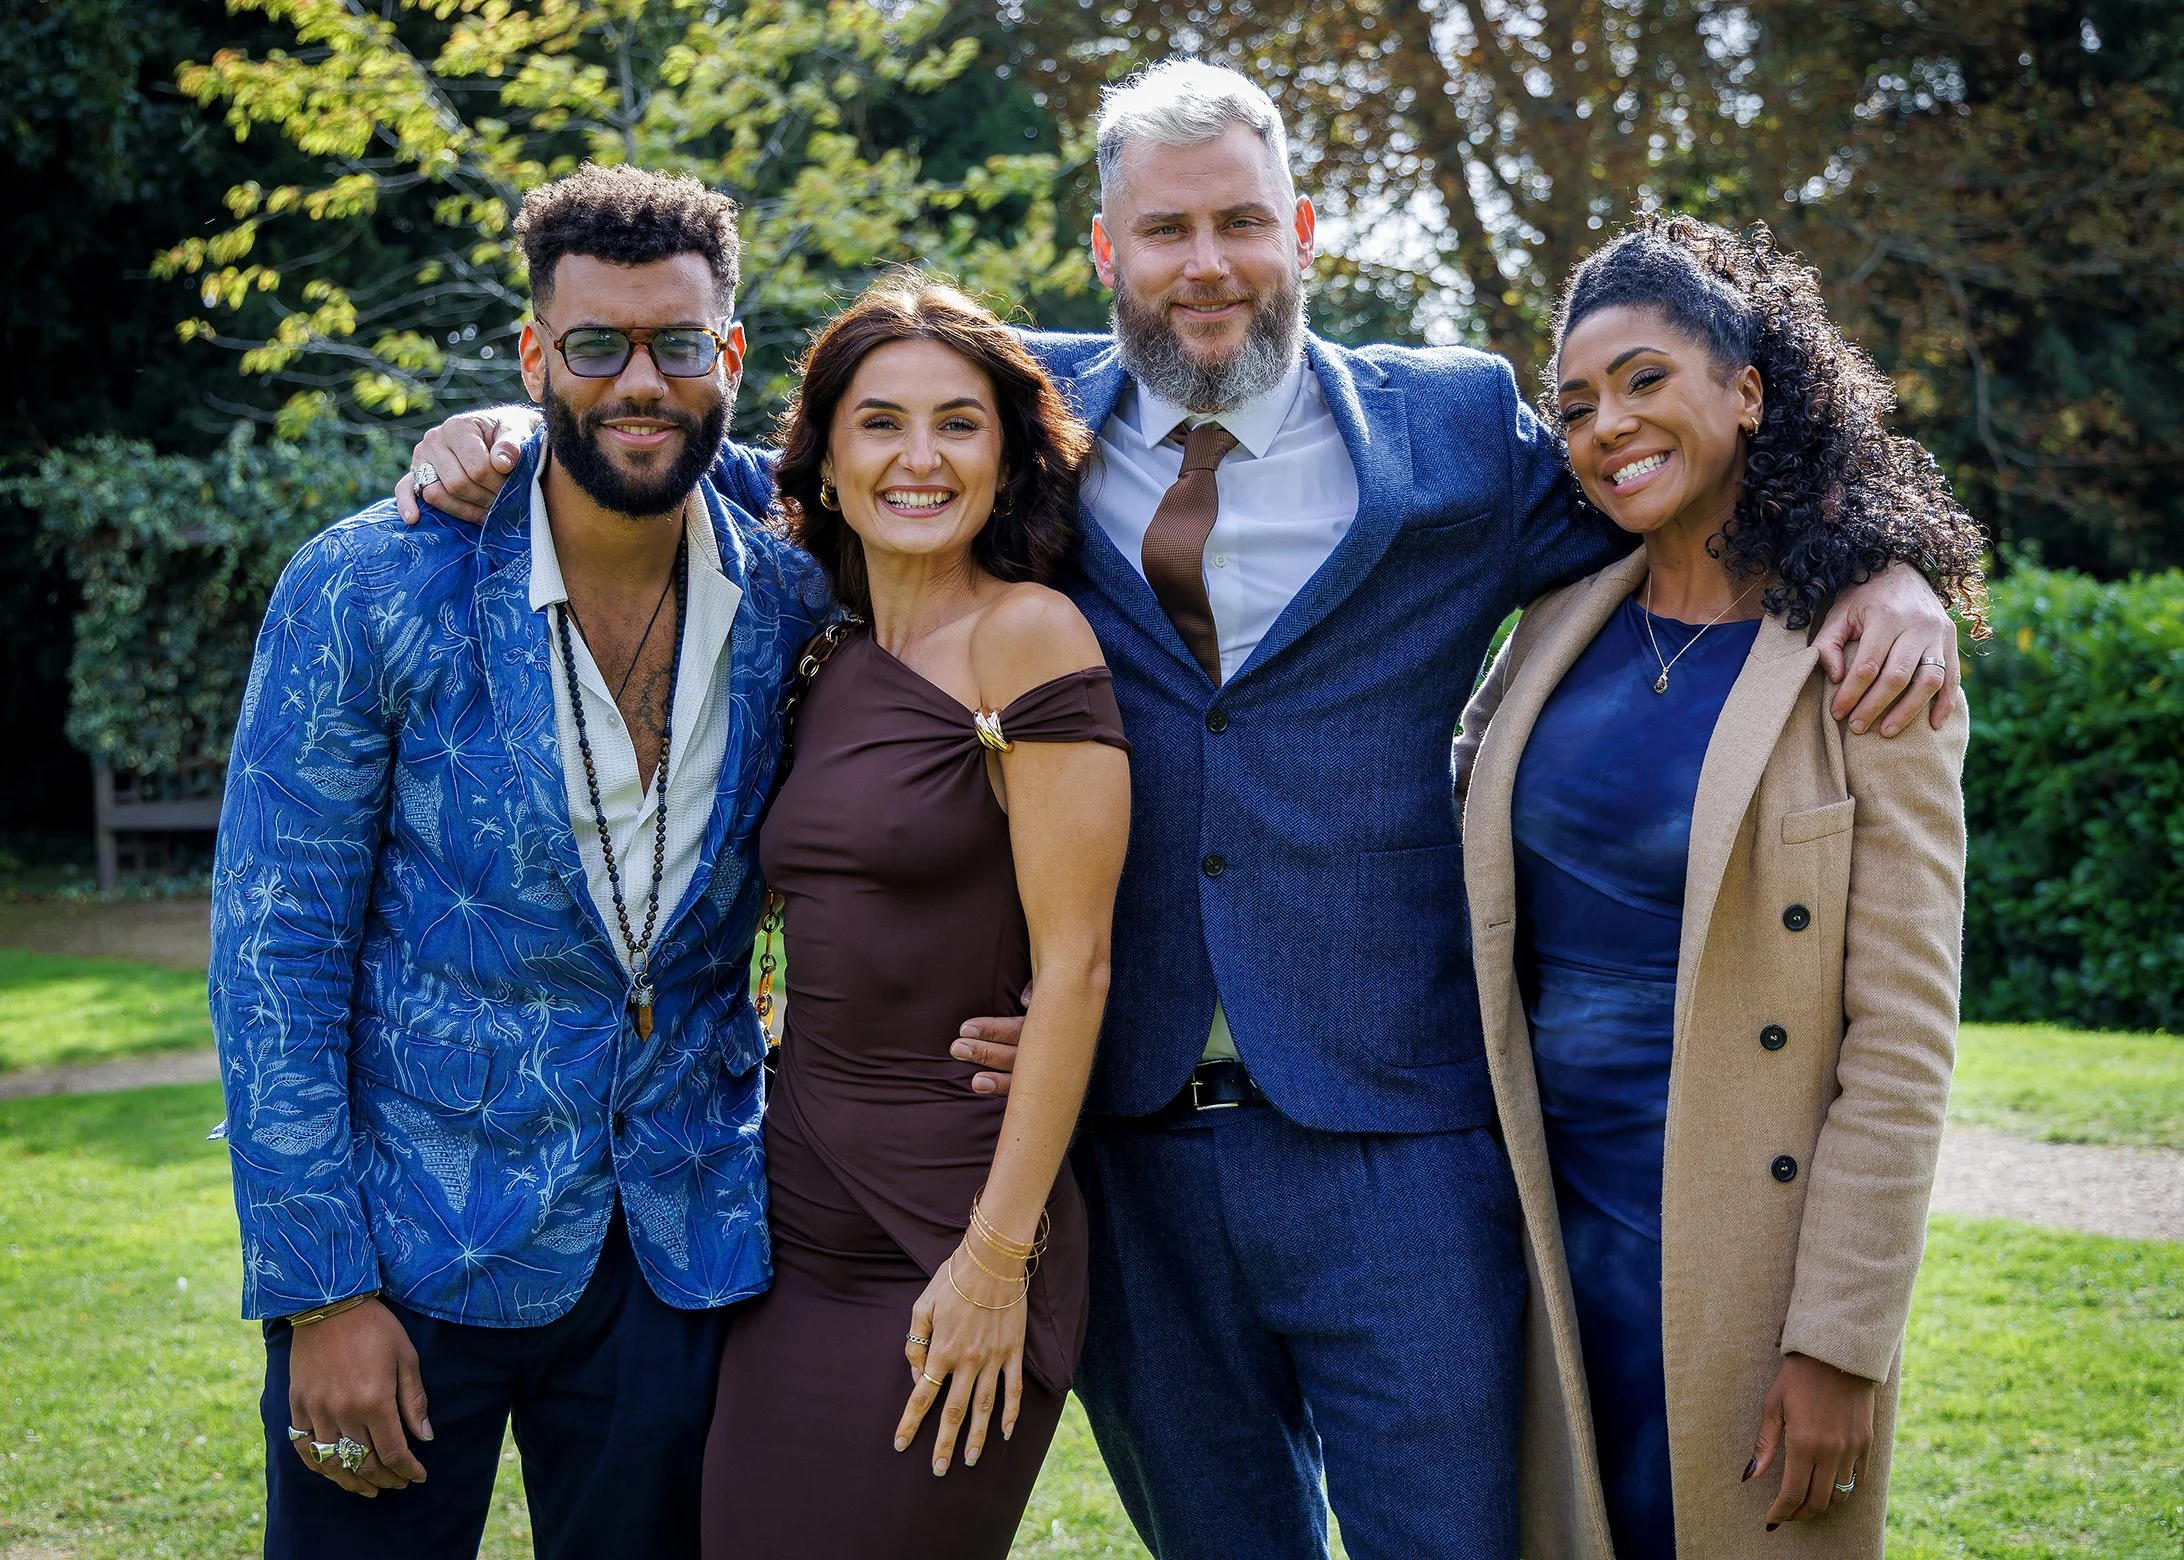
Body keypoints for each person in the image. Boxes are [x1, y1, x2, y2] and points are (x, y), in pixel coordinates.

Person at [395, 61, 1962, 1559]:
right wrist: (525, 434)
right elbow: (811, 470)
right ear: (1107, 250)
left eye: (1238, 222)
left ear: (1301, 231)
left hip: (1397, 1136)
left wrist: (1885, 557)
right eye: (1165, 229)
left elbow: (1675, 475)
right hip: (1125, 1147)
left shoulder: (1459, 433)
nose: (1205, 264)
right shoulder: (1024, 423)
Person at [208, 164, 830, 1559]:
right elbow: (272, 951)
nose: (640, 383)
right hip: (406, 1254)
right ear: (535, 355)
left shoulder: (799, 596)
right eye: (595, 347)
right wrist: (319, 1293)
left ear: (728, 354)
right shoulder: (370, 583)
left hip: (678, 1254)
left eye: (677, 344)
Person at [1453, 214, 1977, 1559]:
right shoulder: (1553, 623)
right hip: (1539, 1231)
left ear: (1747, 392)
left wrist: (1841, 1342)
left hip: (1746, 1247)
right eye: (1573, 405)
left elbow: (1905, 1034)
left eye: (1643, 380)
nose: (1607, 424)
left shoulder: (1868, 659)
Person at [698, 277, 1129, 1557]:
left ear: (1009, 456)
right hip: (792, 1218)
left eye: (959, 423)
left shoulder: (1031, 639)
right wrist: (494, 430)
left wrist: (997, 1261)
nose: (919, 458)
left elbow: (1080, 966)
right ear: (826, 459)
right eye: (881, 423)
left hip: (952, 1229)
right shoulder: (824, 656)